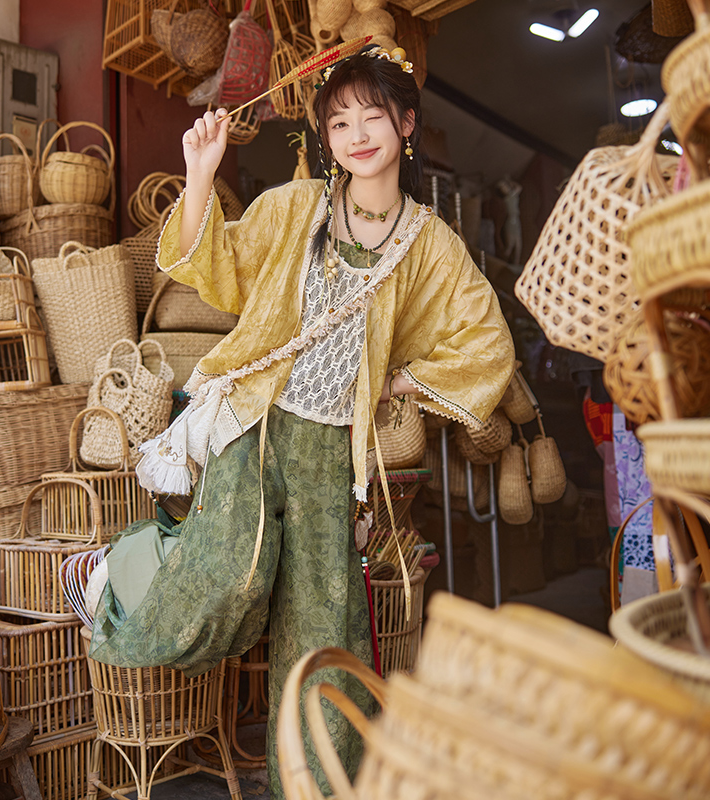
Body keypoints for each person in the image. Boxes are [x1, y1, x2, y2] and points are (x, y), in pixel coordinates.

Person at [89, 44, 515, 798]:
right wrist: (199, 172)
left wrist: (405, 381)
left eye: (371, 116)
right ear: (324, 137)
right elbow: (210, 265)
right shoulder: (294, 209)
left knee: (327, 626)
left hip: (331, 452)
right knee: (231, 575)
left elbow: (487, 342)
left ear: (406, 123)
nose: (354, 134)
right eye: (338, 120)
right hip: (255, 421)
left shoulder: (431, 247)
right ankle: (115, 576)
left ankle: (316, 786)